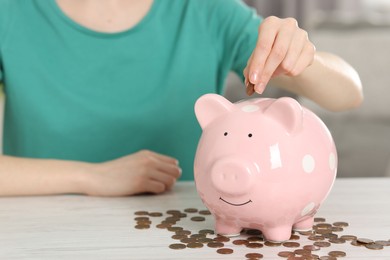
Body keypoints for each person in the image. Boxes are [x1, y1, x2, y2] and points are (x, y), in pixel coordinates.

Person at [0, 0, 362, 197]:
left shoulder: (206, 11)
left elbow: (348, 93)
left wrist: (302, 56)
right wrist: (92, 177)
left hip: (187, 224)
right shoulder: (10, 13)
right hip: (39, 228)